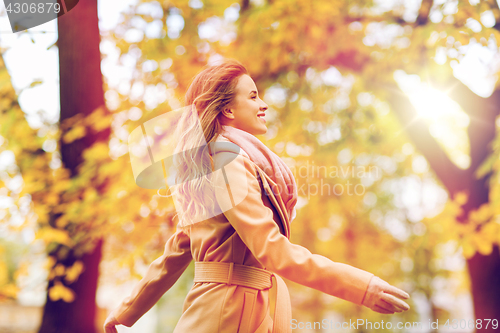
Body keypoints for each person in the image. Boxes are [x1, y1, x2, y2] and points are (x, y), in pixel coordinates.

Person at [103, 59, 410, 333]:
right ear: (227, 109)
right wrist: (361, 287)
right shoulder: (225, 159)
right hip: (230, 311)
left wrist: (127, 312)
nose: (263, 104)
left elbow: (177, 250)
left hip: (241, 307)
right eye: (252, 96)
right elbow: (272, 249)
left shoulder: (213, 161)